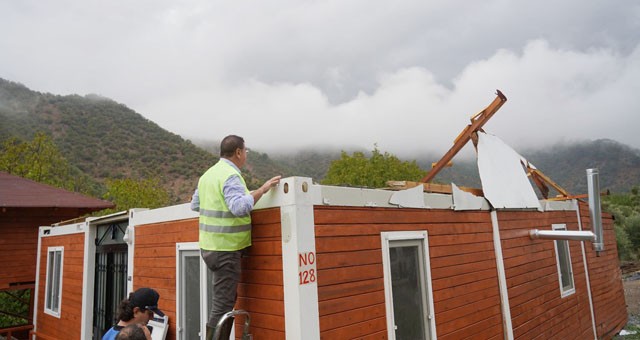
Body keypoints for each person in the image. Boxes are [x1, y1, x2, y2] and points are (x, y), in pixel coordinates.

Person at [194, 135, 280, 340]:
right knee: (222, 305)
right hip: (225, 249)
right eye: (246, 151)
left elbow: (195, 204)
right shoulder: (231, 175)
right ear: (239, 152)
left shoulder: (208, 175)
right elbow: (239, 207)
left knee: (225, 299)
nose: (246, 155)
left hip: (209, 247)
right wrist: (262, 189)